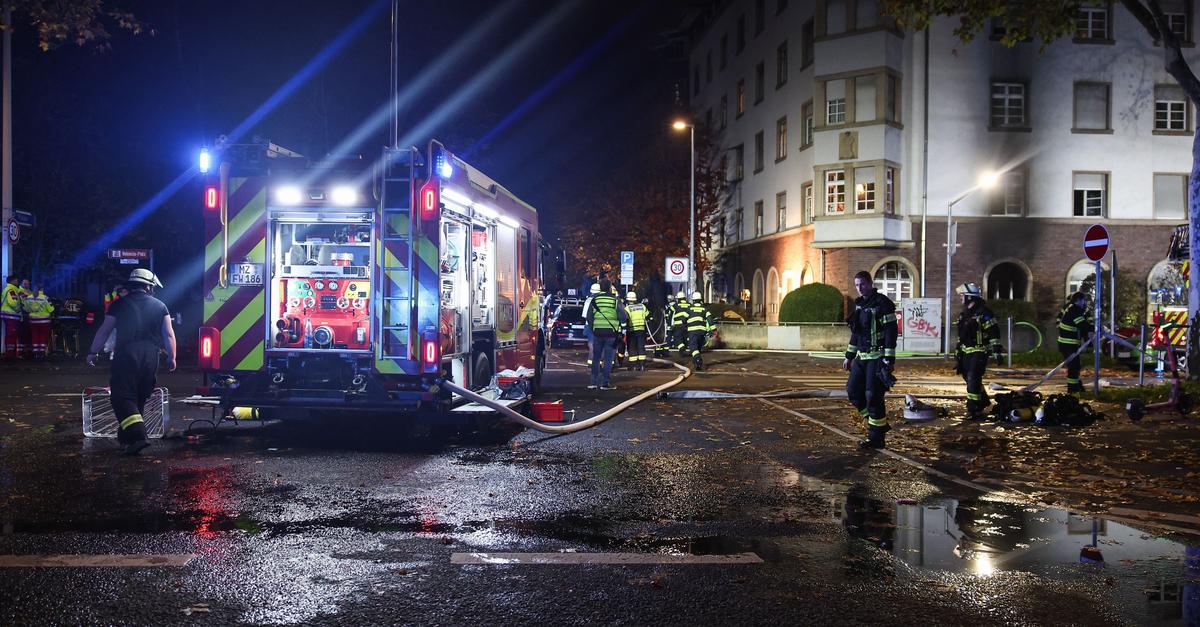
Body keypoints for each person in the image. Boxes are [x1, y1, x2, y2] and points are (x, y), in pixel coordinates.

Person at [86, 269, 177, 455]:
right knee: (139, 396)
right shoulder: (161, 306)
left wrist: (93, 352)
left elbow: (104, 330)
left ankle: (138, 436)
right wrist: (172, 357)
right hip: (151, 355)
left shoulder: (118, 305)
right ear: (149, 286)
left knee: (122, 397)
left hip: (127, 353)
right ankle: (127, 438)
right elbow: (169, 334)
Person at [843, 270, 898, 449]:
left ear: (870, 283)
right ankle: (877, 425)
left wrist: (888, 359)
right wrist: (849, 356)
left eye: (863, 284)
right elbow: (856, 334)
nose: (859, 288)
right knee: (853, 391)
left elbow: (891, 331)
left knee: (872, 396)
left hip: (877, 357)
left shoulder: (882, 304)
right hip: (862, 357)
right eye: (857, 285)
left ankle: (876, 438)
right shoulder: (859, 305)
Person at [954, 283, 1002, 419]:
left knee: (973, 378)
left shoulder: (984, 313)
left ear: (970, 297)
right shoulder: (964, 314)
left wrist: (997, 352)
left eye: (963, 295)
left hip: (980, 351)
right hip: (966, 352)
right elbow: (961, 335)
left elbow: (993, 332)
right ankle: (982, 402)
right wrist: (958, 350)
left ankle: (973, 410)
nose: (961, 298)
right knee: (969, 379)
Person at [585, 278, 625, 390]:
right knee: (608, 359)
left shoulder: (594, 300)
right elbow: (623, 316)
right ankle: (605, 383)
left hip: (597, 332)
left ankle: (593, 383)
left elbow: (589, 317)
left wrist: (594, 328)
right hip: (611, 333)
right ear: (609, 287)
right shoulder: (615, 300)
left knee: (596, 358)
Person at [1057, 291, 1093, 394]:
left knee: (1075, 366)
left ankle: (1077, 387)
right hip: (1068, 345)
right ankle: (1073, 390)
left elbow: (1082, 329)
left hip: (1068, 344)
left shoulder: (1073, 309)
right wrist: (1096, 328)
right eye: (1083, 300)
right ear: (1078, 300)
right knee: (1074, 367)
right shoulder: (1075, 310)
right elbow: (1082, 325)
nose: (1084, 302)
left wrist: (1088, 341)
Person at [685, 291, 715, 371]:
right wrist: (713, 329)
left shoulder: (689, 308)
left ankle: (698, 360)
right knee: (698, 348)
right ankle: (696, 364)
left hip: (692, 332)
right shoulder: (704, 309)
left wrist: (683, 325)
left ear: (693, 300)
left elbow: (684, 319)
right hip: (702, 332)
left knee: (693, 348)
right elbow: (710, 319)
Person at [21, 285, 53, 359]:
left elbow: (26, 309)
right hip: (44, 321)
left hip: (33, 321)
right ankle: (41, 354)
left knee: (34, 336)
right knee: (43, 337)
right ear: (42, 289)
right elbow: (51, 309)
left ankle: (35, 353)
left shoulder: (29, 298)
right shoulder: (45, 298)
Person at [624, 291, 649, 370]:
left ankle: (633, 366)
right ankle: (642, 366)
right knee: (641, 347)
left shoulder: (627, 308)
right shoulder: (642, 306)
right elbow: (647, 315)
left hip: (631, 330)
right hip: (641, 329)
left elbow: (625, 319)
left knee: (632, 347)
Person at [1, 275, 24, 359]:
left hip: (10, 317)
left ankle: (10, 354)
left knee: (11, 335)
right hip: (11, 316)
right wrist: (20, 307)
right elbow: (13, 303)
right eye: (17, 280)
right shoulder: (11, 290)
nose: (18, 282)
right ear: (13, 281)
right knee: (11, 335)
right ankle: (9, 355)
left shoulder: (11, 290)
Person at [582, 282, 601, 367]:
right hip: (600, 325)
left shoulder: (588, 300)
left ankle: (591, 363)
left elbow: (585, 315)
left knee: (592, 345)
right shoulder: (602, 300)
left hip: (589, 325)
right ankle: (598, 363)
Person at [672, 291, 690, 358]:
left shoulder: (675, 306)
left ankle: (682, 348)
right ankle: (683, 349)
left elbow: (671, 316)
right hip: (687, 325)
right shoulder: (689, 305)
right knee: (685, 338)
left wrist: (670, 325)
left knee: (678, 338)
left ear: (678, 298)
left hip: (678, 326)